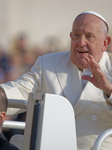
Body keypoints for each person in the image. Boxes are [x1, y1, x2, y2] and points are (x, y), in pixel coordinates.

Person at [1, 11, 112, 149]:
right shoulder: (48, 64)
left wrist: (108, 89)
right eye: (76, 35)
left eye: (89, 36)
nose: (81, 42)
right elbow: (19, 90)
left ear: (105, 43)